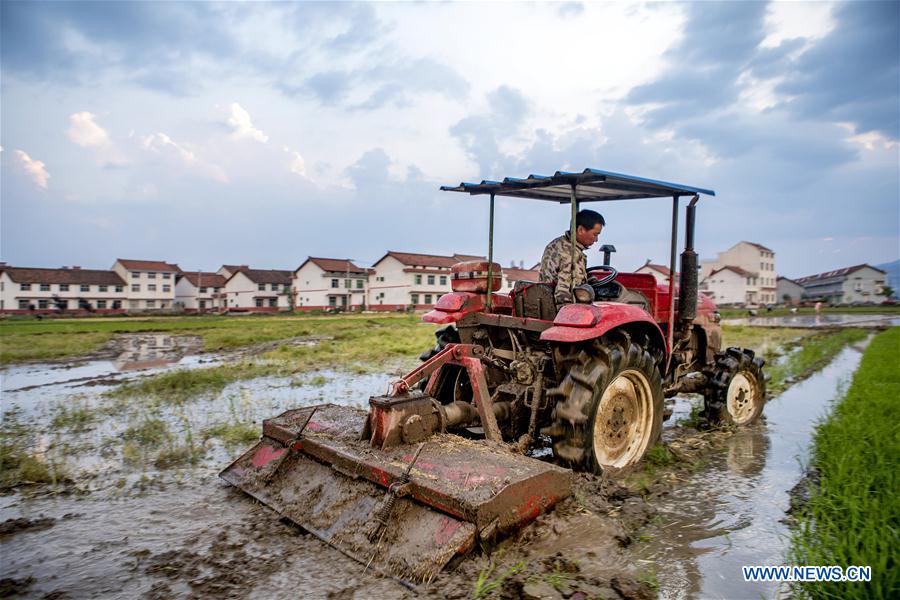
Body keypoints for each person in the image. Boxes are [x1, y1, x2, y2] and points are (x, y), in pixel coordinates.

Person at [539, 209, 605, 305]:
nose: (596, 240)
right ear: (580, 230)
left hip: (545, 301)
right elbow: (563, 294)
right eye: (595, 234)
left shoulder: (557, 243)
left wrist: (588, 280)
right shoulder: (572, 255)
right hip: (561, 310)